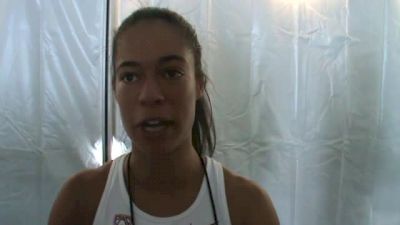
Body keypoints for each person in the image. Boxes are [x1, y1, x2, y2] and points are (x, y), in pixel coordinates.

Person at [48, 7, 279, 225]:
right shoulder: (81, 201)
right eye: (130, 77)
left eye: (171, 73)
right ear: (114, 89)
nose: (150, 95)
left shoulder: (247, 207)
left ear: (199, 84)